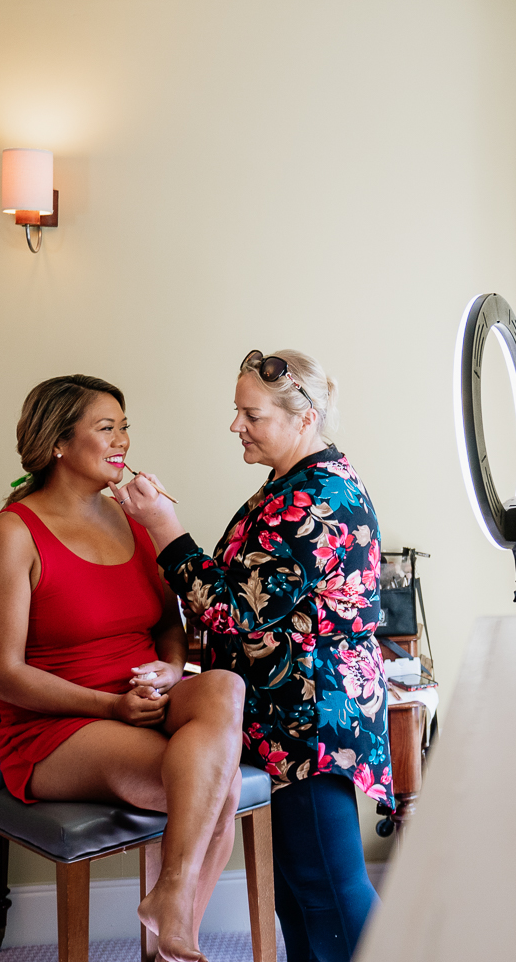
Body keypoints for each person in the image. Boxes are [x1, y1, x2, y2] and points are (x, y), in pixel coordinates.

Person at [117, 349, 390, 962]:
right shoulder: (286, 485)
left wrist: (164, 526)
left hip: (310, 720)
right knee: (296, 891)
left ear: (304, 418)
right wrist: (186, 668)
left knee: (327, 887)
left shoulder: (316, 497)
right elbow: (259, 612)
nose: (236, 425)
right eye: (236, 411)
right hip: (283, 712)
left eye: (251, 414)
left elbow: (234, 609)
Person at [0, 375, 246, 962]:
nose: (122, 440)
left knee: (223, 686)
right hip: (56, 728)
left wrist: (171, 670)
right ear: (58, 443)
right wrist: (109, 706)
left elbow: (169, 627)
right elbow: (2, 674)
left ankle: (170, 904)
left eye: (125, 427)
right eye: (106, 427)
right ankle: (175, 934)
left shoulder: (133, 519)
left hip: (145, 699)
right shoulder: (11, 536)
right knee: (210, 783)